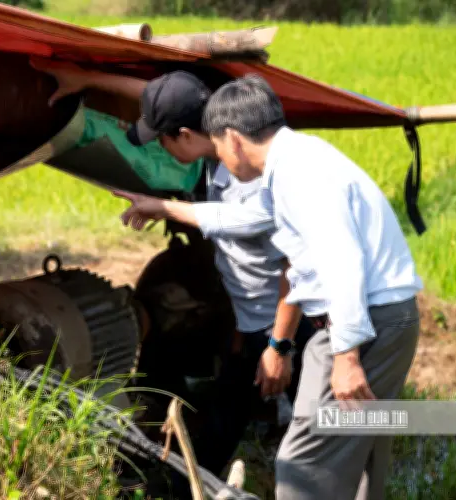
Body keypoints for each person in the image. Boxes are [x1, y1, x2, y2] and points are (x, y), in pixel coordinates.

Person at [119, 73, 423, 500]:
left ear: (235, 139)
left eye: (220, 146)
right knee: (359, 443)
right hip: (377, 317)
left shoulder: (300, 175)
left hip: (363, 322)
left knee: (303, 465)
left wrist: (347, 354)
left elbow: (342, 259)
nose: (220, 157)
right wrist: (164, 208)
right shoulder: (293, 163)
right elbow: (244, 220)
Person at [31, 58, 317, 478]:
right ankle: (189, 482)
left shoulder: (250, 178)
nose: (160, 148)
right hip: (255, 320)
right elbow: (164, 99)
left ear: (185, 135)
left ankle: (416, 432)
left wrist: (279, 347)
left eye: (162, 139)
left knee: (333, 421)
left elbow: (295, 271)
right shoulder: (217, 139)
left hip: (293, 322)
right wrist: (87, 78)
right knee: (226, 417)